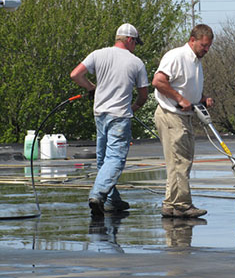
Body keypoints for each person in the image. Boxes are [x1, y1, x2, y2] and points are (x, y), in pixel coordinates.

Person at [70, 23, 149, 215]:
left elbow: (75, 74)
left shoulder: (98, 54)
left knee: (103, 159)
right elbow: (144, 94)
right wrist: (135, 106)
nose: (135, 46)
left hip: (100, 114)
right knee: (115, 158)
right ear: (129, 40)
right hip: (120, 116)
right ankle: (98, 195)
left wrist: (91, 88)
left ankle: (113, 200)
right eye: (135, 42)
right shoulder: (136, 62)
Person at [152, 24, 214, 218]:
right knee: (181, 161)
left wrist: (202, 98)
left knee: (177, 162)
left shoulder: (195, 61)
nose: (206, 49)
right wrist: (179, 99)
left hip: (184, 115)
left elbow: (185, 86)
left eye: (208, 46)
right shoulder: (176, 56)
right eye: (203, 45)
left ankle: (170, 204)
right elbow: (158, 81)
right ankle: (182, 205)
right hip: (171, 114)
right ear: (192, 40)